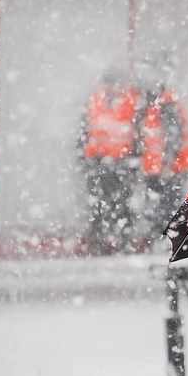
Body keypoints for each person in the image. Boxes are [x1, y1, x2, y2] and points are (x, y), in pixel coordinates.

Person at [77, 70, 139, 255]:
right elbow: (84, 131)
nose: (112, 89)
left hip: (122, 165)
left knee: (123, 206)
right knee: (98, 206)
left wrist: (133, 162)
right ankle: (99, 244)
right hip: (98, 164)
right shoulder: (95, 102)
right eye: (109, 85)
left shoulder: (131, 103)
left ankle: (123, 243)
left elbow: (138, 134)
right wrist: (85, 159)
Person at [137, 78, 188, 247]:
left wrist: (167, 164)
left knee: (166, 207)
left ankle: (169, 242)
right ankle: (166, 241)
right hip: (160, 169)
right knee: (162, 207)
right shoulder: (156, 106)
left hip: (171, 169)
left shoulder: (166, 105)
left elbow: (173, 137)